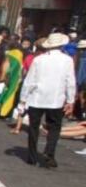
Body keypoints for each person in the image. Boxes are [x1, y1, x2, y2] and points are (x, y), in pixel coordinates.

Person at [19, 32, 76, 168]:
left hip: (37, 98)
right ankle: (49, 153)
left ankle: (32, 156)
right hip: (56, 99)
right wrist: (70, 100)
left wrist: (23, 99)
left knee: (33, 127)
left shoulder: (39, 60)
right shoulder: (67, 60)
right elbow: (70, 81)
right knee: (54, 127)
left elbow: (30, 80)